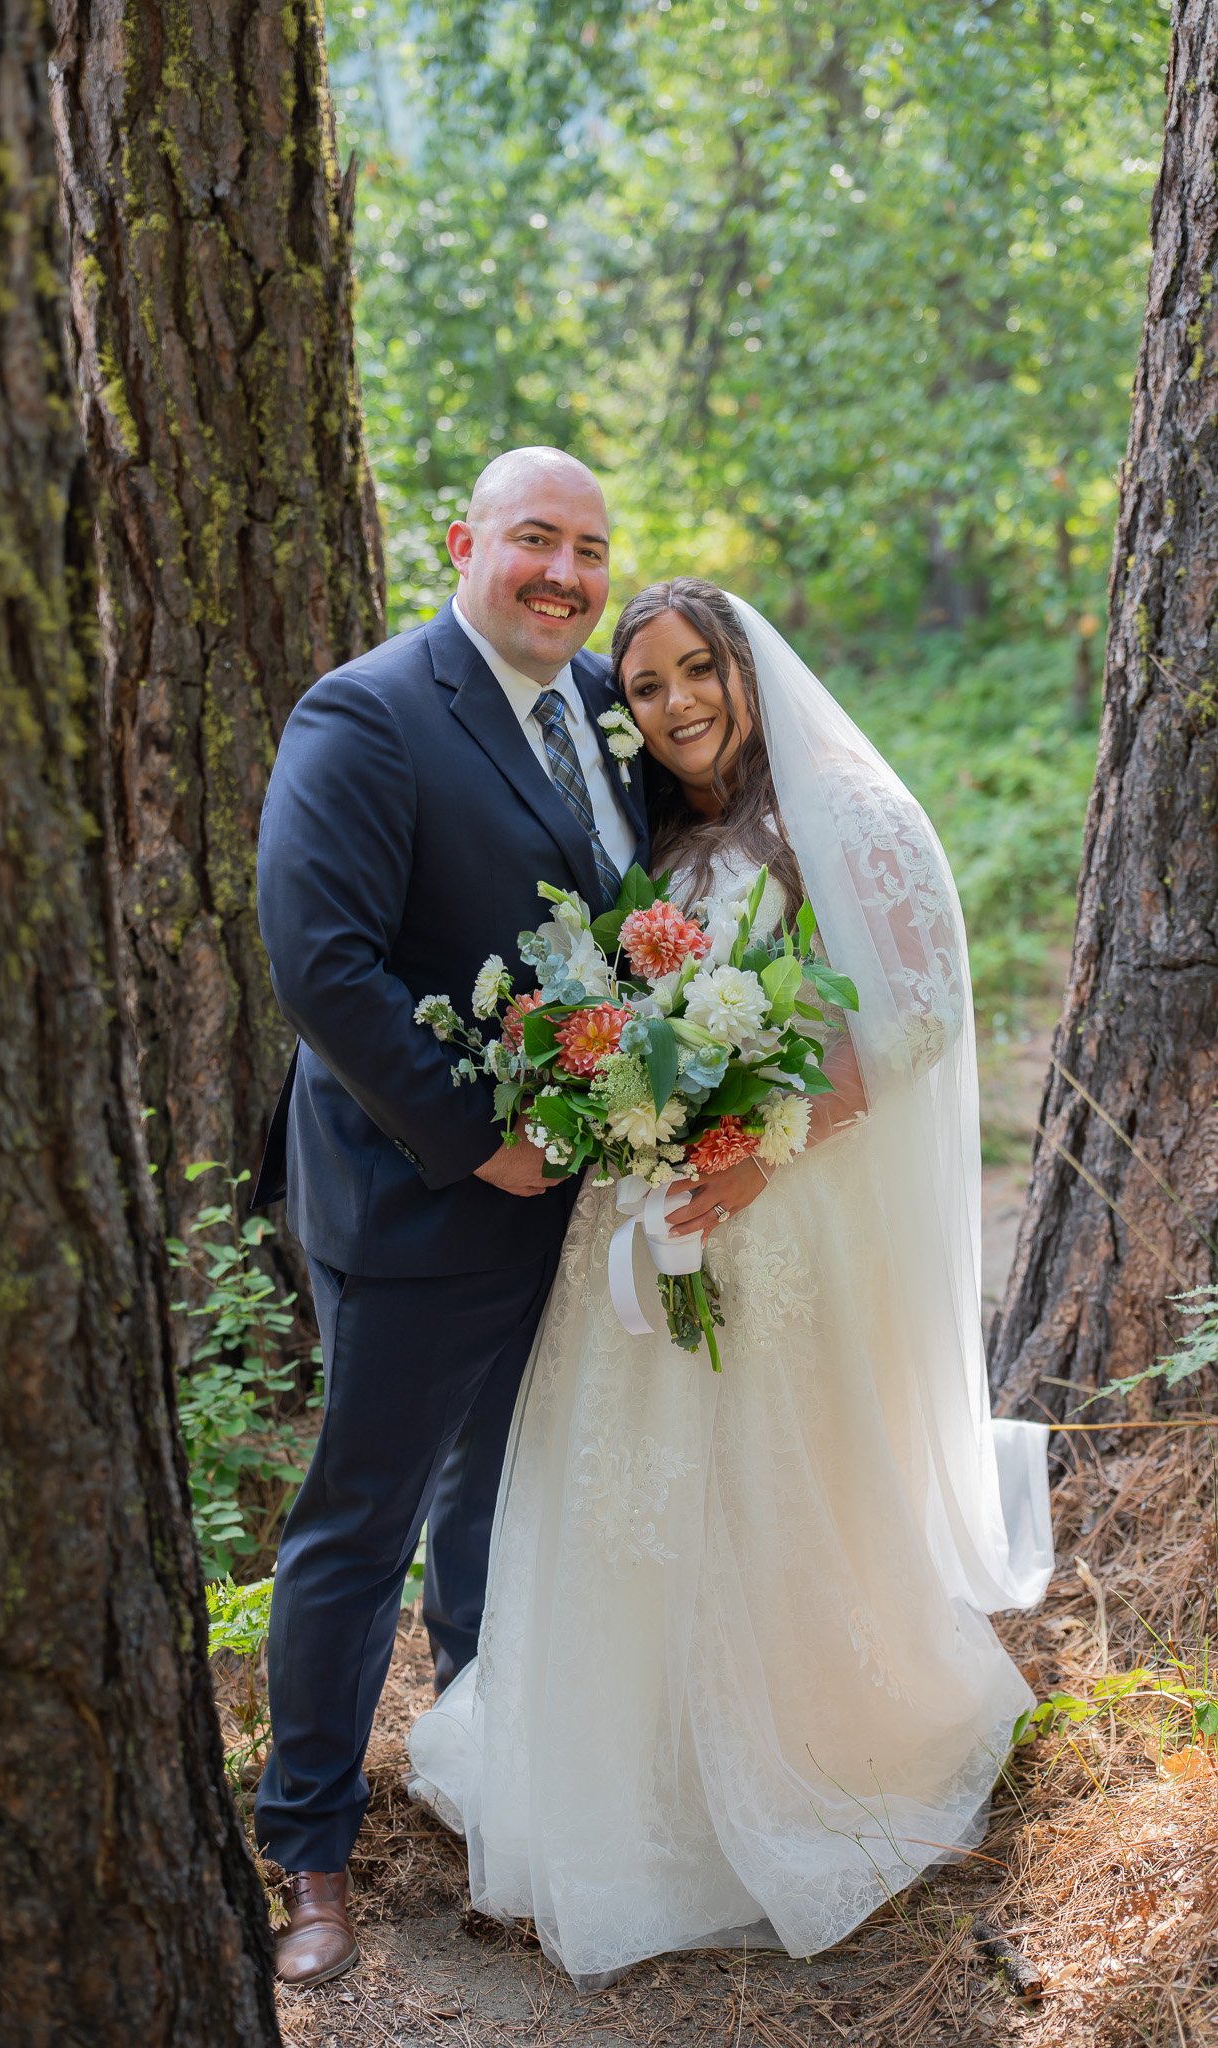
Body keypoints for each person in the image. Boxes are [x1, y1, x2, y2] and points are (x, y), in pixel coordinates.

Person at [407, 578, 1054, 1985]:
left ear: (746, 669)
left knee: (774, 1474)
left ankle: (805, 1758)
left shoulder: (851, 819)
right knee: (632, 1479)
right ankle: (630, 1779)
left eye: (697, 670)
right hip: (654, 1212)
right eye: (645, 688)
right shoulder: (665, 839)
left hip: (783, 1209)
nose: (677, 702)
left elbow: (923, 1015)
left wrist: (756, 1152)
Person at [249, 447, 648, 1985]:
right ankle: (311, 1852)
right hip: (424, 1202)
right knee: (362, 1525)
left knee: (506, 1509)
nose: (563, 572)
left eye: (590, 549)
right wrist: (479, 1140)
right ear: (463, 542)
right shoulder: (367, 711)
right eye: (536, 539)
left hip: (575, 1203)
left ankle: (491, 1793)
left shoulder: (606, 703)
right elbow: (321, 964)